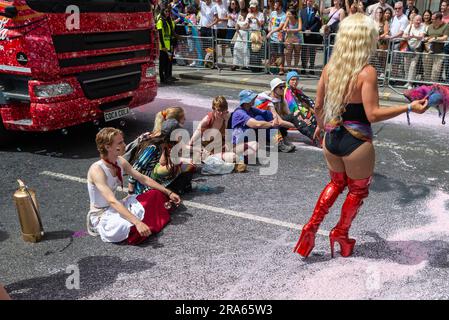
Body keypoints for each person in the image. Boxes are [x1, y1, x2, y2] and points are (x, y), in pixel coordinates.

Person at [293, 13, 428, 258]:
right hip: (356, 142)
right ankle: (341, 233)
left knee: (336, 183)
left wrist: (322, 126)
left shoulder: (329, 68)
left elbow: (319, 106)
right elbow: (373, 114)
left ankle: (309, 229)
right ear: (365, 40)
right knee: (357, 191)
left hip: (331, 138)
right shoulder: (366, 72)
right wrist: (409, 107)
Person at [87, 127, 181, 245]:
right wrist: (137, 222)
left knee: (156, 193)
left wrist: (169, 192)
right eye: (120, 143)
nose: (125, 145)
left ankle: (146, 223)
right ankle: (143, 223)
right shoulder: (97, 169)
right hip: (102, 215)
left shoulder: (119, 161)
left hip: (119, 205)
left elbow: (143, 178)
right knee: (125, 225)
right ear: (107, 147)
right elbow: (112, 201)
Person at [189, 96, 258, 165]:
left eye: (223, 110)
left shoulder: (227, 116)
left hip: (224, 148)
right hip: (211, 153)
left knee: (255, 144)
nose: (221, 113)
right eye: (219, 110)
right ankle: (238, 158)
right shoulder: (207, 120)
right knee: (233, 157)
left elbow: (229, 138)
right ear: (214, 109)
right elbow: (190, 144)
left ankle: (239, 159)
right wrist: (199, 150)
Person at [283, 70, 321, 145]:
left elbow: (309, 102)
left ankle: (320, 135)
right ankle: (315, 138)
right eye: (292, 80)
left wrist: (318, 112)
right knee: (307, 121)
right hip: (290, 116)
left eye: (296, 79)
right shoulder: (287, 91)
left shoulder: (297, 91)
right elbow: (294, 107)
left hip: (298, 114)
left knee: (316, 117)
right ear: (288, 81)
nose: (295, 82)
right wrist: (304, 118)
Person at [423, 12, 449, 82]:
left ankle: (433, 90)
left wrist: (435, 38)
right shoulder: (430, 26)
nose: (431, 20)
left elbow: (445, 37)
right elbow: (426, 35)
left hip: (439, 53)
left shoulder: (446, 26)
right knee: (427, 73)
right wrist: (426, 38)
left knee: (435, 74)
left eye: (433, 19)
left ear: (438, 19)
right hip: (428, 52)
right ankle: (426, 89)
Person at [157, 3, 178, 84]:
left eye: (168, 12)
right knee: (162, 63)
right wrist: (162, 46)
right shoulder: (160, 21)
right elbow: (160, 35)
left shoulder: (167, 21)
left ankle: (167, 77)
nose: (167, 13)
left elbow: (169, 34)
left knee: (167, 62)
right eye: (166, 11)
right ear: (163, 12)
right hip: (163, 47)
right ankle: (162, 79)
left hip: (168, 45)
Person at [300, 0, 322, 75]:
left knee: (312, 51)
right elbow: (301, 23)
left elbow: (318, 22)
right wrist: (305, 30)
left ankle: (311, 67)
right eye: (308, 1)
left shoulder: (316, 11)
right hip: (304, 34)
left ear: (313, 2)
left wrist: (310, 30)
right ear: (306, 2)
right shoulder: (302, 11)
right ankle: (303, 67)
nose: (309, 2)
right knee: (304, 51)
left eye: (311, 1)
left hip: (312, 34)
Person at [403, 14, 425, 89]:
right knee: (406, 66)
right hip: (408, 48)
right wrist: (408, 36)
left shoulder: (423, 26)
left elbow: (421, 36)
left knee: (413, 66)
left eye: (420, 20)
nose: (418, 21)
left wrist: (413, 36)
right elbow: (404, 35)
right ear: (413, 20)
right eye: (417, 20)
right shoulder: (409, 26)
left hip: (417, 49)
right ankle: (407, 81)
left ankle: (410, 83)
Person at [266, 0, 287, 75]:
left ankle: (281, 69)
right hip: (272, 37)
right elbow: (270, 22)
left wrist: (271, 32)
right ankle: (274, 68)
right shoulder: (272, 13)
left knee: (280, 53)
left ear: (280, 7)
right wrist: (269, 27)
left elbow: (280, 27)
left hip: (279, 37)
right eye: (274, 5)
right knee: (273, 53)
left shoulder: (284, 15)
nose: (274, 6)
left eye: (276, 5)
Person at [246, 0, 265, 72]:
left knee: (258, 50)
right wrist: (247, 22)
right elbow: (247, 25)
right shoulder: (248, 14)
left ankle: (258, 66)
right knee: (251, 49)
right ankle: (252, 66)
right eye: (251, 7)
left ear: (256, 7)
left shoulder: (261, 14)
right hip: (250, 33)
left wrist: (256, 18)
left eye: (254, 7)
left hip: (257, 33)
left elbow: (261, 24)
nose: (252, 8)